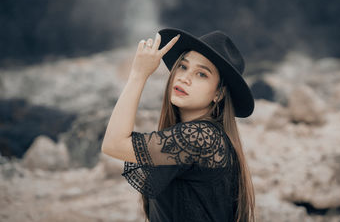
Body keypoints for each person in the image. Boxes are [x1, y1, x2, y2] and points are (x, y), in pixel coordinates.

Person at [101, 28, 255, 222]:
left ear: (219, 94)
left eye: (201, 74)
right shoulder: (191, 136)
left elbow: (113, 144)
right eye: (183, 66)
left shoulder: (200, 137)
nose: (185, 77)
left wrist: (138, 75)